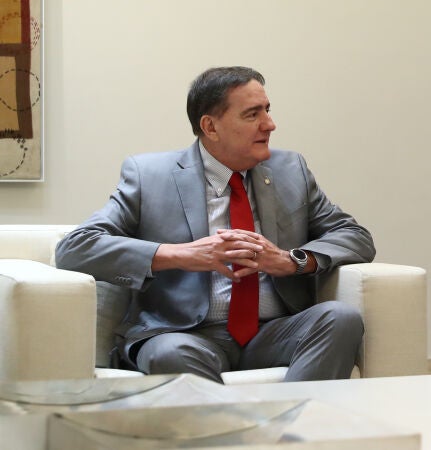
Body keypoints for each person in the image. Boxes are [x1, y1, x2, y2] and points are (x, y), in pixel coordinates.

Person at [56, 66, 375, 383]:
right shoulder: (149, 176)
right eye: (252, 114)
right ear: (210, 126)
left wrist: (291, 261)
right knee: (170, 353)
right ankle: (241, 419)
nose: (269, 124)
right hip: (186, 334)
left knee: (341, 318)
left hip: (274, 332)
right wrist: (182, 254)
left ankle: (291, 417)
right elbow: (76, 248)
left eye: (267, 110)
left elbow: (354, 236)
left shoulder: (290, 170)